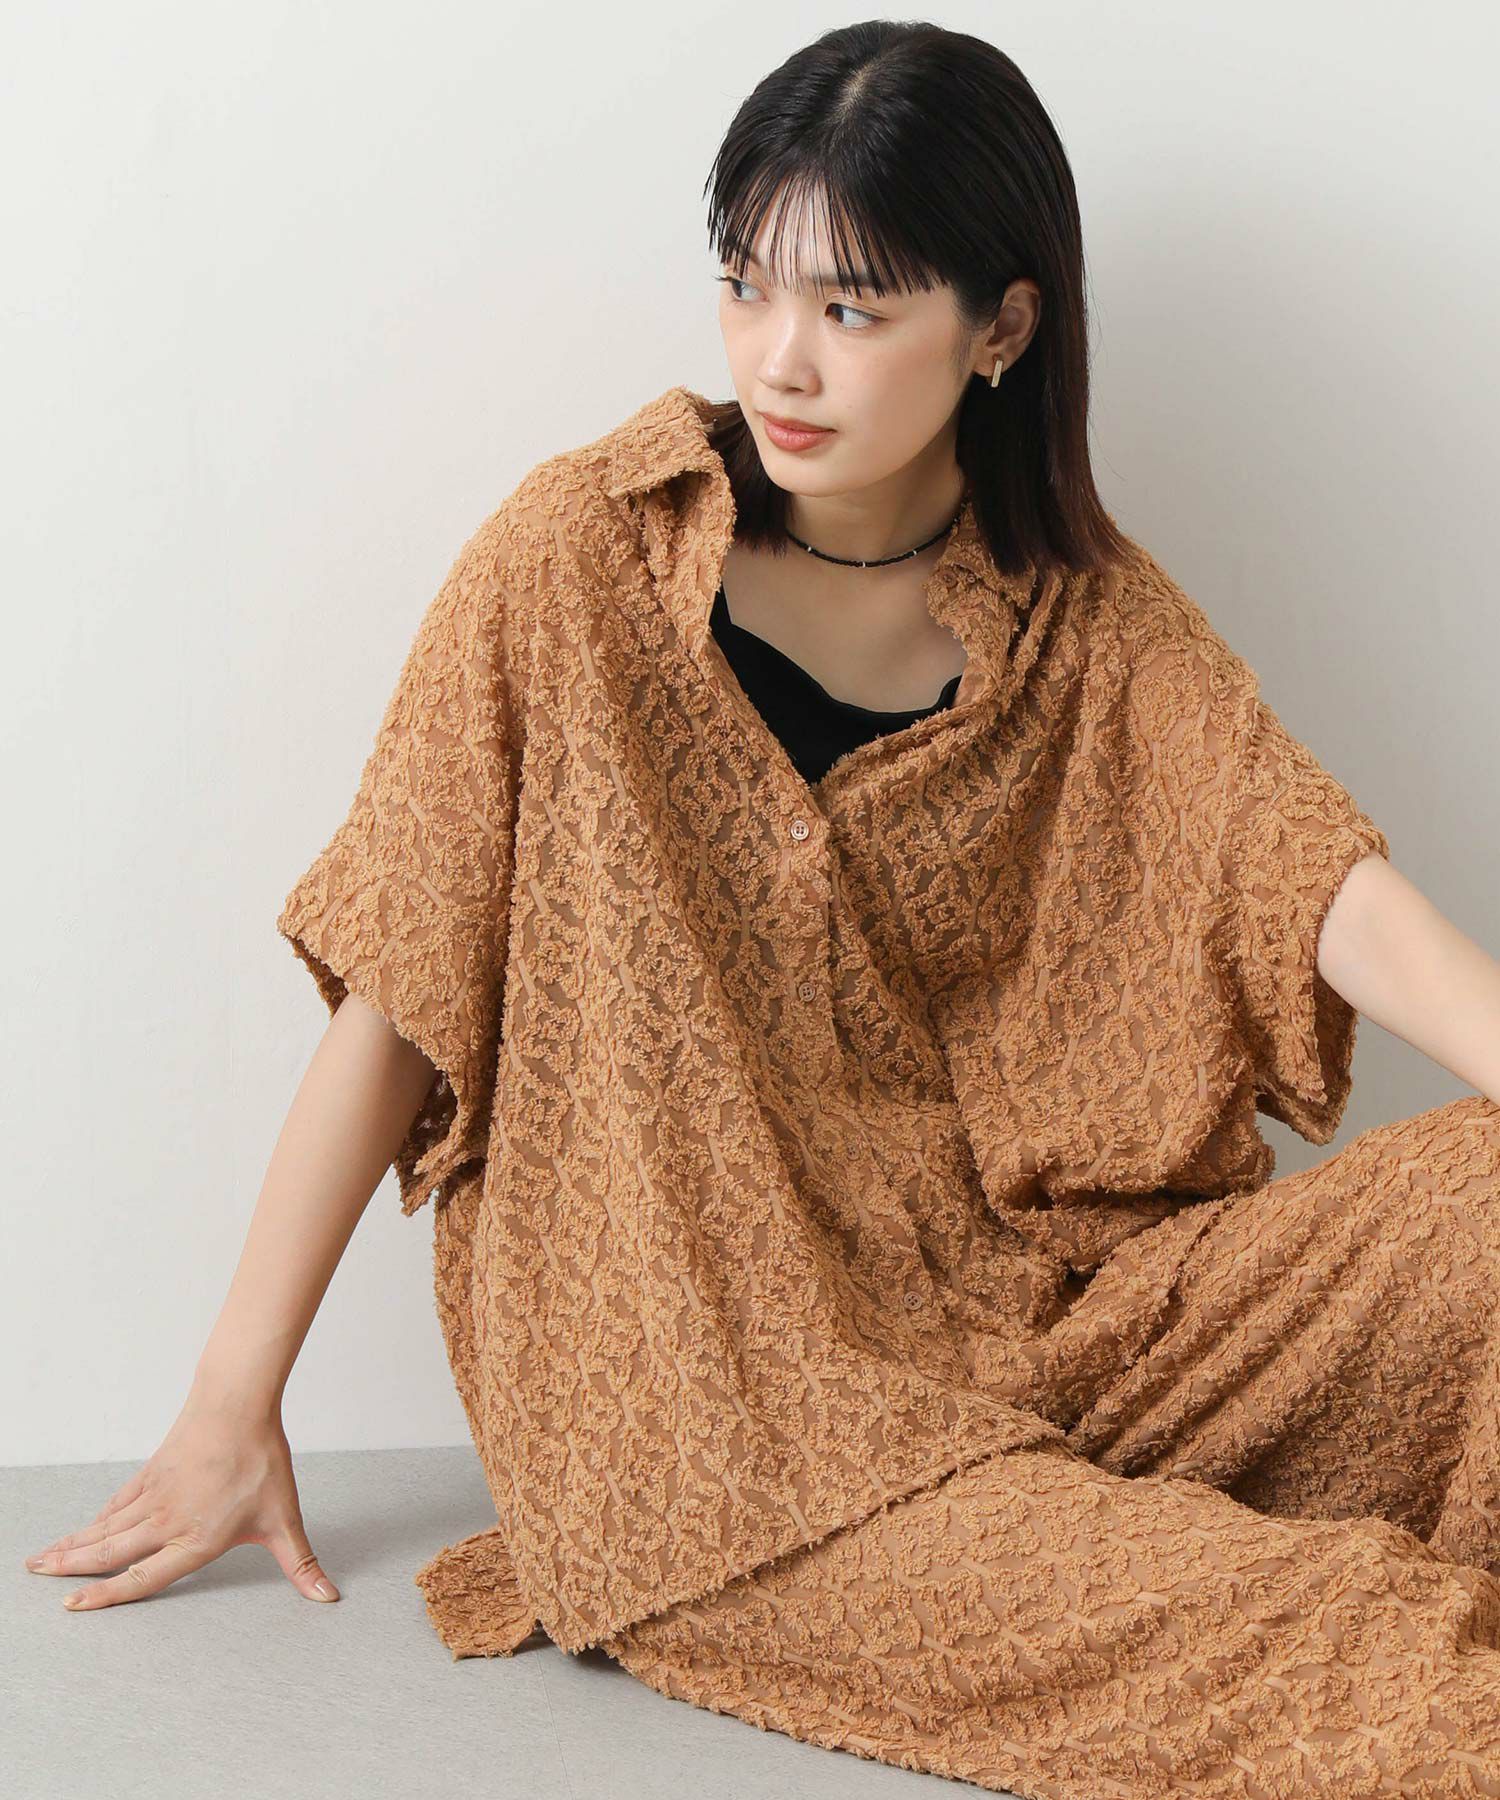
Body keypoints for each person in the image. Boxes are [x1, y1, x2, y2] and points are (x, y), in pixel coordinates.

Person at [27, 18, 1500, 1798]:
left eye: (854, 308)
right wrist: (227, 1404)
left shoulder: (1085, 618)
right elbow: (404, 982)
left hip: (1063, 1336)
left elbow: (1311, 876)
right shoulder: (578, 565)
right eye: (745, 285)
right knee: (1341, 1653)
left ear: (1002, 330)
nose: (780, 358)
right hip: (729, 1426)